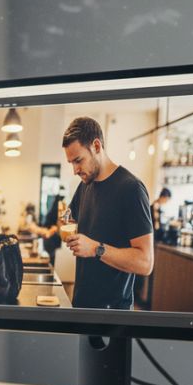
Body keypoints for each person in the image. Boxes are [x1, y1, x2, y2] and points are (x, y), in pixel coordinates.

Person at [61, 117, 154, 309]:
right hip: (82, 304)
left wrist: (95, 248)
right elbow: (67, 217)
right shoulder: (85, 185)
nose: (75, 170)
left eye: (78, 160)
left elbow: (145, 263)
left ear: (96, 146)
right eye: (71, 163)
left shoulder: (131, 189)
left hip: (112, 313)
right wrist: (65, 225)